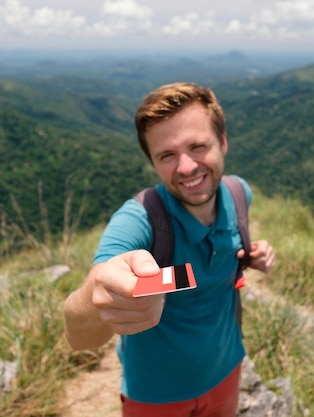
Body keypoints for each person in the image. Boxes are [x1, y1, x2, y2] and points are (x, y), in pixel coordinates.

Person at [63, 82, 275, 417]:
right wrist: (97, 294)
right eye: (167, 155)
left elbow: (225, 257)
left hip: (228, 369)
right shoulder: (141, 219)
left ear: (223, 142)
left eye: (197, 146)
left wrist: (251, 254)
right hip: (155, 394)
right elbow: (80, 333)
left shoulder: (239, 195)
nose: (187, 167)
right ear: (153, 163)